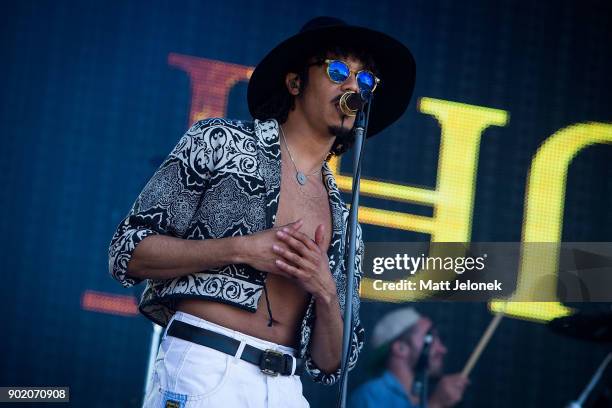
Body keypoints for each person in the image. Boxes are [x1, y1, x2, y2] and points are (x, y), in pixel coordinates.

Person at [108, 16, 415, 408]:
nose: (353, 86)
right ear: (295, 82)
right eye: (338, 70)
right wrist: (239, 249)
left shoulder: (346, 222)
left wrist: (323, 289)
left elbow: (331, 364)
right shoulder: (219, 141)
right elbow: (126, 252)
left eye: (366, 80)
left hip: (285, 389)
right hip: (205, 366)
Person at [349, 308, 469, 408]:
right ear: (400, 348)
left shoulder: (421, 397)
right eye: (430, 338)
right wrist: (435, 405)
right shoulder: (370, 396)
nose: (442, 349)